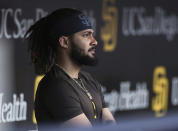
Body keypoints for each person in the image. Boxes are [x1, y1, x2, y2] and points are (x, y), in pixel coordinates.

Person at [25, 8, 115, 129]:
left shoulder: (88, 79)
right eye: (86, 35)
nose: (94, 41)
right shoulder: (56, 86)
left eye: (92, 34)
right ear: (64, 42)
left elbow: (111, 125)